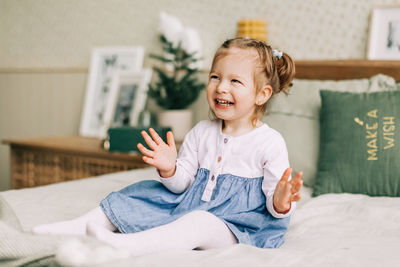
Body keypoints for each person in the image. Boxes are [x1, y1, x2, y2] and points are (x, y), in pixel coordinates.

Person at [33, 37, 303, 256]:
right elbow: (182, 186)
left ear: (261, 94)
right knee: (141, 192)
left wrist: (280, 201)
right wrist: (171, 169)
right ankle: (79, 226)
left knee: (199, 222)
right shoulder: (201, 132)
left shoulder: (270, 142)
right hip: (192, 203)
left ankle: (125, 245)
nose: (221, 87)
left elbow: (275, 206)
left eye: (235, 81)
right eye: (214, 77)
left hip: (239, 227)